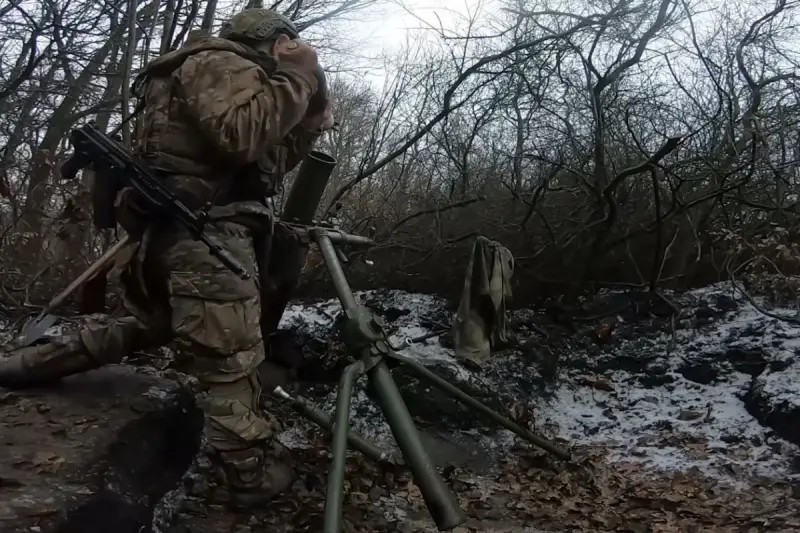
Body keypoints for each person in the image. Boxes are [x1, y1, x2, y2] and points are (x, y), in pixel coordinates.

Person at [0, 8, 334, 510]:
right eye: (287, 47)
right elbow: (241, 136)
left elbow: (262, 163)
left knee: (144, 325)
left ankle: (23, 365)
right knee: (231, 362)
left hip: (176, 237)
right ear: (273, 41)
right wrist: (299, 74)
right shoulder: (221, 62)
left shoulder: (210, 71)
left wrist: (307, 115)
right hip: (204, 239)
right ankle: (250, 478)